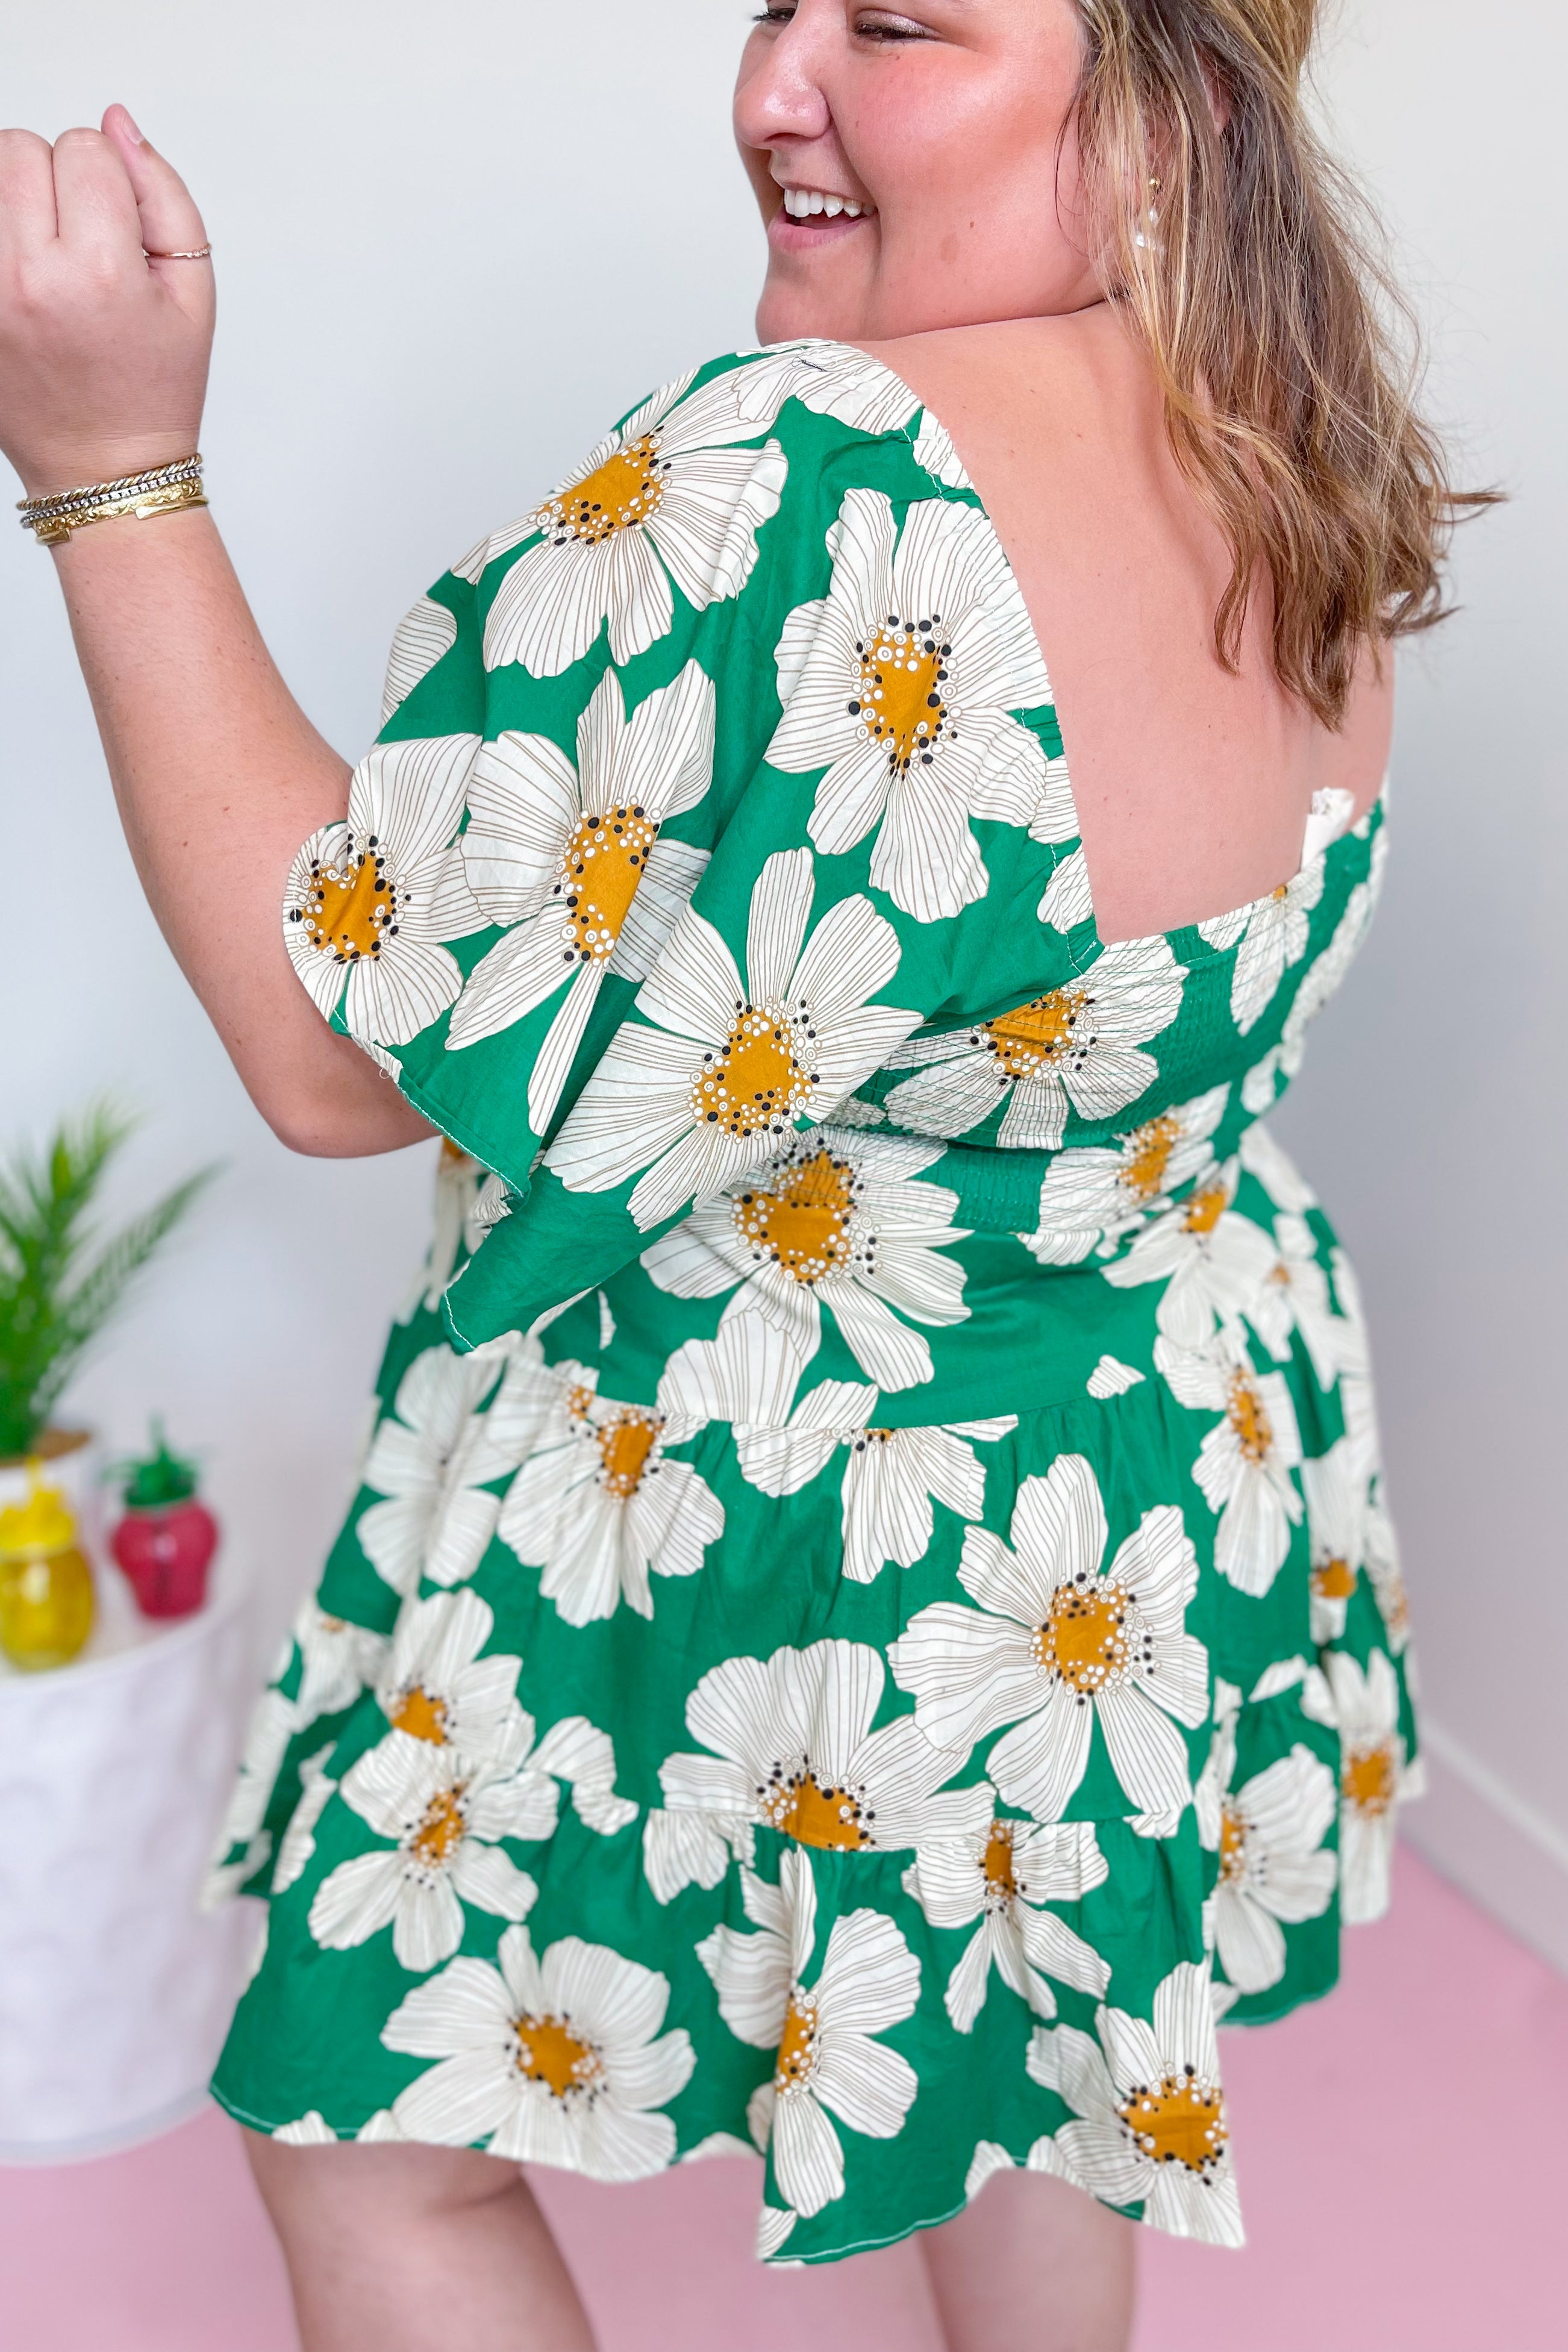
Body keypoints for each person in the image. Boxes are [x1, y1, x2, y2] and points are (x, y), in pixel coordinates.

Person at [0, 5, 1475, 2347]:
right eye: (779, 1)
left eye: (893, 22)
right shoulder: (1278, 423)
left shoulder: (812, 469)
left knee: (361, 2144)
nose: (776, 84)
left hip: (814, 1504)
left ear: (1170, 104)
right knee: (1027, 2071)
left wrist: (110, 465)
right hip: (1129, 1488)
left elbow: (329, 1048)